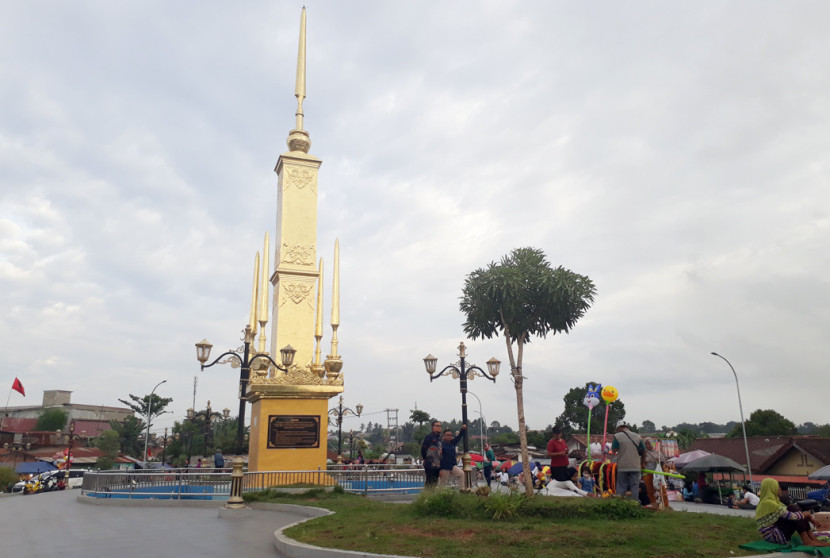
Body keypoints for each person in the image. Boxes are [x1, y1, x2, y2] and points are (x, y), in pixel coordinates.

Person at [755, 478, 829, 547]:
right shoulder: (768, 502)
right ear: (771, 488)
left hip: (777, 532)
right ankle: (807, 540)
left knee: (795, 509)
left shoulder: (774, 501)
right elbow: (790, 516)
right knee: (793, 508)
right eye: (777, 486)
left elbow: (790, 513)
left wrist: (807, 516)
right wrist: (806, 515)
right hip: (774, 536)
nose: (779, 489)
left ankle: (811, 538)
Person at [611, 421, 645, 500]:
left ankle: (619, 503)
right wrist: (642, 463)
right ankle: (635, 504)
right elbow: (644, 450)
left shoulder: (617, 436)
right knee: (635, 485)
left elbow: (614, 450)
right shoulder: (637, 436)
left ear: (619, 428)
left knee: (621, 485)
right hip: (635, 466)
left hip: (623, 466)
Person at [438, 425, 467, 489]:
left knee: (461, 474)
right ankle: (439, 496)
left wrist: (462, 430)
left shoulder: (452, 443)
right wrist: (439, 469)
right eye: (447, 435)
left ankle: (461, 490)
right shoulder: (441, 445)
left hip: (452, 466)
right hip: (444, 467)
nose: (449, 436)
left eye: (450, 435)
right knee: (442, 484)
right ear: (443, 436)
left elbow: (459, 437)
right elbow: (438, 457)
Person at [420, 420, 443, 488]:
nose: (439, 427)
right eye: (437, 426)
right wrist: (426, 459)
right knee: (429, 483)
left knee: (434, 483)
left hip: (437, 465)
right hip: (430, 464)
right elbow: (423, 449)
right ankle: (426, 497)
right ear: (433, 427)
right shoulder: (429, 437)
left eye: (440, 426)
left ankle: (431, 497)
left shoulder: (439, 438)